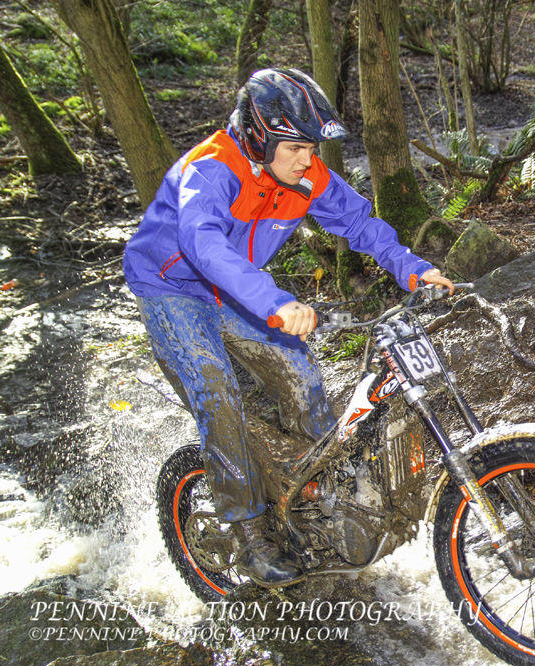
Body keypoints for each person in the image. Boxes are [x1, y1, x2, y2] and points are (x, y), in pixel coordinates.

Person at [123, 67, 453, 587]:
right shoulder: (212, 169)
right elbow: (203, 243)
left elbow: (359, 223)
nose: (307, 159)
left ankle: (319, 497)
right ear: (260, 138)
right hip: (173, 289)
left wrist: (412, 269)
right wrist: (274, 301)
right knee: (217, 394)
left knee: (300, 372)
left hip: (238, 288)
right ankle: (249, 531)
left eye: (312, 148)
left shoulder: (306, 173)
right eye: (296, 147)